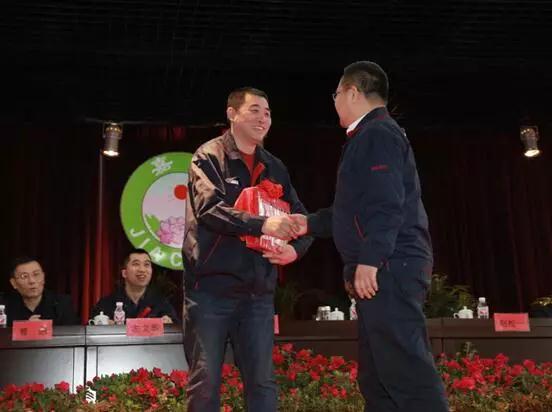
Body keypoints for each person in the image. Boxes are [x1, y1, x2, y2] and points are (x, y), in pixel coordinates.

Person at [292, 61, 448, 411]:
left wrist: (371, 259)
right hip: (386, 266)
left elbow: (386, 204)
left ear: (352, 92)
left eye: (335, 94)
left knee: (406, 372)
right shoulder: (369, 135)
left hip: (390, 266)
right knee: (377, 377)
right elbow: (354, 211)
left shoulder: (377, 134)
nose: (334, 102)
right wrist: (308, 224)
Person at [182, 86, 312, 412]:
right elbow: (209, 210)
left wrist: (296, 250)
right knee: (205, 383)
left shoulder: (274, 166)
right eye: (254, 110)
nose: (263, 118)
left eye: (267, 113)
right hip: (210, 291)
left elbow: (301, 218)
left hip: (258, 293)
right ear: (232, 114)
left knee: (262, 382)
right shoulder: (209, 157)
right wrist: (263, 224)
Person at [91, 249, 178, 323]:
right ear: (124, 273)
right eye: (136, 264)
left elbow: (177, 328)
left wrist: (169, 322)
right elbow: (90, 329)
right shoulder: (107, 304)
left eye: (146, 265)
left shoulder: (161, 303)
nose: (142, 270)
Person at [0, 256, 79, 326]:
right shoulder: (3, 305)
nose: (32, 281)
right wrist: (25, 328)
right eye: (24, 276)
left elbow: (73, 334)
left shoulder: (62, 303)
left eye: (36, 274)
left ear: (43, 277)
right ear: (13, 283)